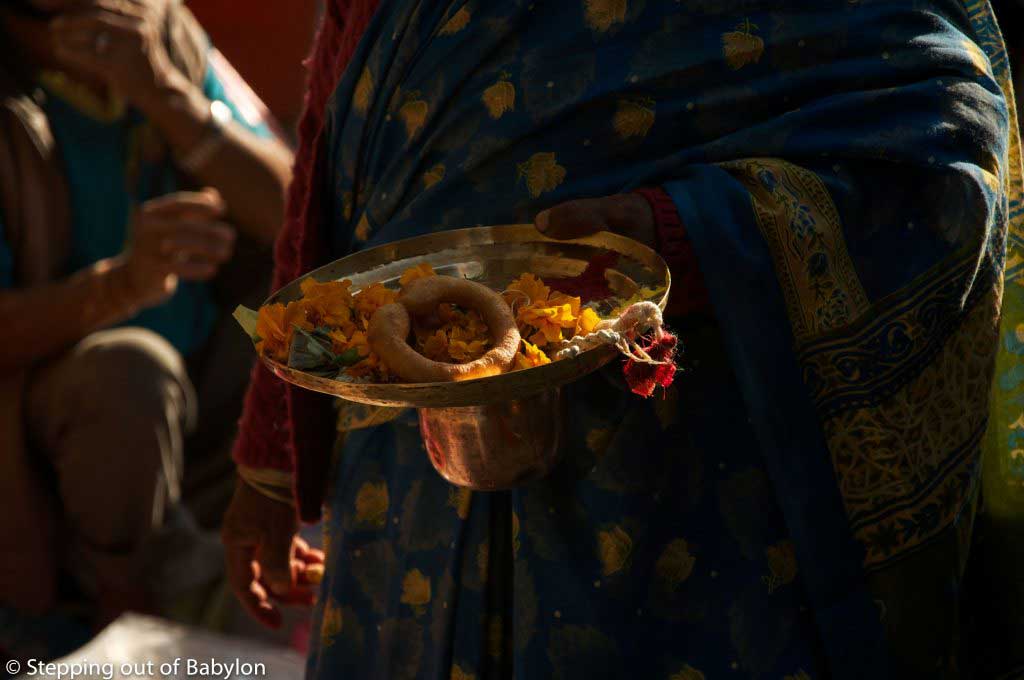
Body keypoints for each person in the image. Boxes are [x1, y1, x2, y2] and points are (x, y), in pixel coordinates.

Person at [223, 1, 1023, 678]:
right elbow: (334, 144)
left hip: (672, 499)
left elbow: (943, 153)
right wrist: (269, 459)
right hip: (405, 488)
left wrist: (682, 236)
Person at [0, 0, 293, 657]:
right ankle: (122, 613)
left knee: (306, 323)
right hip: (59, 433)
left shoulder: (162, 30)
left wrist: (168, 98)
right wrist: (123, 284)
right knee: (131, 373)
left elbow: (295, 215)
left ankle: (242, 554)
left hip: (200, 396)